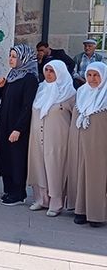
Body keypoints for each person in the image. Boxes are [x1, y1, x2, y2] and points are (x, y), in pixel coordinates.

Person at [0, 44, 39, 206]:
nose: (10, 59)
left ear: (23, 58)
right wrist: (1, 88)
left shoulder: (30, 79)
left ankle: (18, 193)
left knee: (17, 158)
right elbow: (6, 99)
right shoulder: (13, 75)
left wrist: (18, 129)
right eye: (10, 56)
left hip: (18, 126)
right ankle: (9, 190)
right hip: (6, 122)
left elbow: (27, 106)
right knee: (5, 156)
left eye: (14, 56)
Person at [26, 60, 76, 217]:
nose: (48, 73)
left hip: (58, 139)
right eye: (46, 70)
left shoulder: (69, 93)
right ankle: (41, 199)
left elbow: (75, 117)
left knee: (55, 169)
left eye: (52, 71)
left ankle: (56, 203)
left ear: (60, 72)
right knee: (39, 166)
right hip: (37, 136)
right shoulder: (40, 89)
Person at [70, 62, 107, 227]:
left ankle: (96, 214)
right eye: (90, 75)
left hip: (100, 145)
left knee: (97, 177)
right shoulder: (81, 92)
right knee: (80, 174)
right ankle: (80, 210)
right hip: (80, 142)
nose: (92, 79)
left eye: (96, 75)